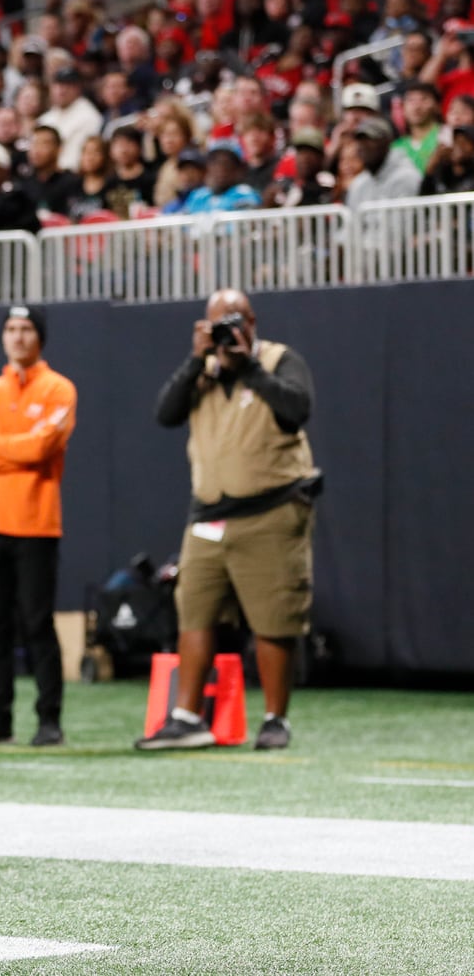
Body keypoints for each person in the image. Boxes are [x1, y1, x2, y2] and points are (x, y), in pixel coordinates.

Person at [137, 289, 318, 752]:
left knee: (274, 619)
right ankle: (186, 716)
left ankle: (276, 718)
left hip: (271, 511)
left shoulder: (279, 359)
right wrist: (195, 361)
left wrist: (249, 368)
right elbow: (164, 414)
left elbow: (298, 409)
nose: (225, 332)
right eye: (215, 323)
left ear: (252, 322)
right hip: (208, 517)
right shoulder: (203, 370)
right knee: (194, 611)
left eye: (233, 321)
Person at [0, 306, 76, 748]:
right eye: (10, 329)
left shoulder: (60, 389)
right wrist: (16, 447)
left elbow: (43, 447)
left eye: (25, 329)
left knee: (37, 624)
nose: (17, 337)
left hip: (38, 526)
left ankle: (49, 720)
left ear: (39, 336)